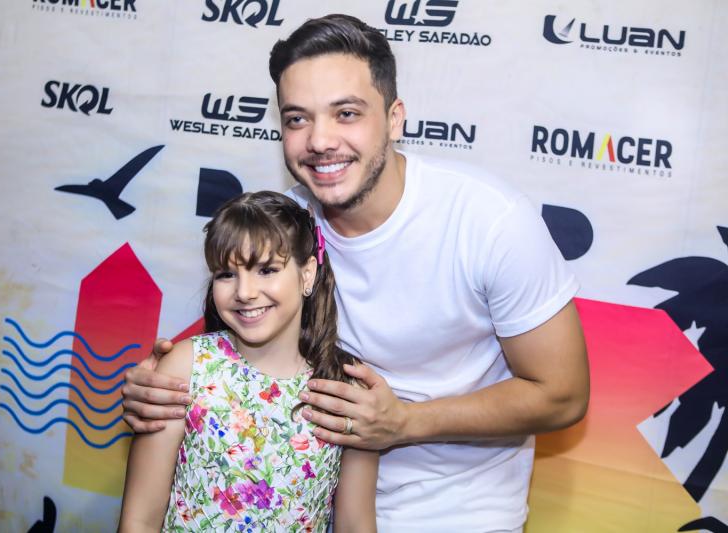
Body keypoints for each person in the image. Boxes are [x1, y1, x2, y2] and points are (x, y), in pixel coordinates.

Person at [121, 14, 589, 532]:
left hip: (458, 513)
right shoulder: (287, 226)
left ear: (394, 118)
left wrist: (405, 422)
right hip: (303, 505)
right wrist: (162, 388)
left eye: (346, 113)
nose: (320, 140)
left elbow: (563, 393)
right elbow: (232, 355)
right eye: (297, 119)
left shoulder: (488, 221)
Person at [118, 191, 378, 532]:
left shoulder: (345, 390)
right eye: (226, 274)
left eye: (267, 270)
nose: (244, 292)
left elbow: (356, 524)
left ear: (307, 274)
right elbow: (139, 519)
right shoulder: (187, 367)